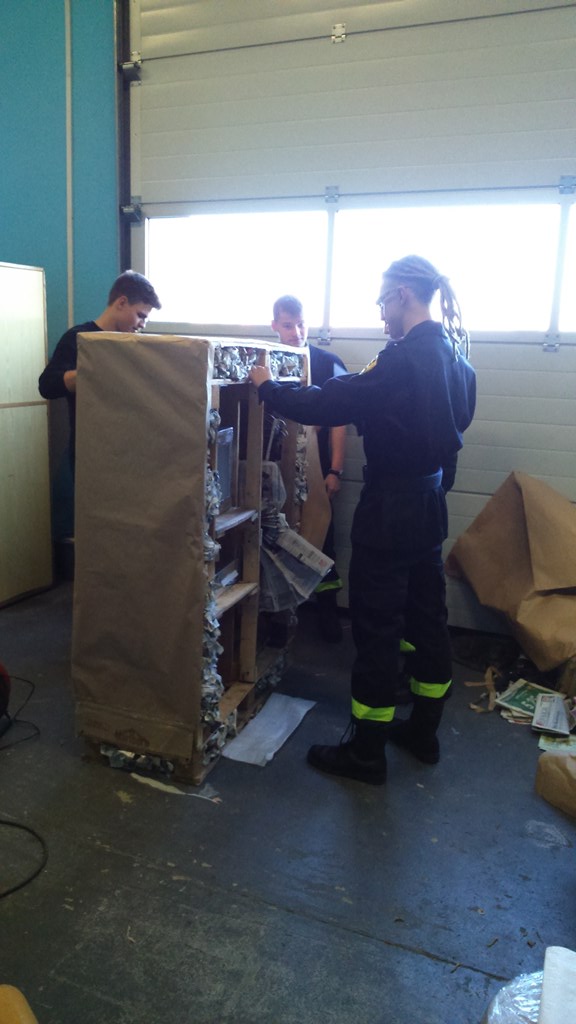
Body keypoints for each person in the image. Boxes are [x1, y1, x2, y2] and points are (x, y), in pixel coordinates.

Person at [250, 256, 476, 785]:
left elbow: (331, 402)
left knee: (377, 627)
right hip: (429, 505)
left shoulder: (400, 360)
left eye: (381, 302)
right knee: (428, 620)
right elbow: (458, 428)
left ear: (402, 295)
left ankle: (366, 753)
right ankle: (424, 732)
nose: (380, 314)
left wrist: (267, 388)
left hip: (390, 509)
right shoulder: (456, 356)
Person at [271, 295, 348, 642]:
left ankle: (327, 610)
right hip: (277, 467)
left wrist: (335, 470)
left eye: (301, 324)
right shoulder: (265, 362)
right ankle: (277, 616)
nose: (296, 332)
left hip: (317, 467)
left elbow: (341, 421)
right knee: (276, 535)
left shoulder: (328, 363)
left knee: (322, 536)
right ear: (275, 325)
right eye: (288, 325)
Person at [38, 270, 161, 469]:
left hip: (130, 452)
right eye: (140, 315)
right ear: (121, 302)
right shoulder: (77, 338)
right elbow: (47, 385)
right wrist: (91, 374)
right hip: (89, 453)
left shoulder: (134, 347)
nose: (142, 324)